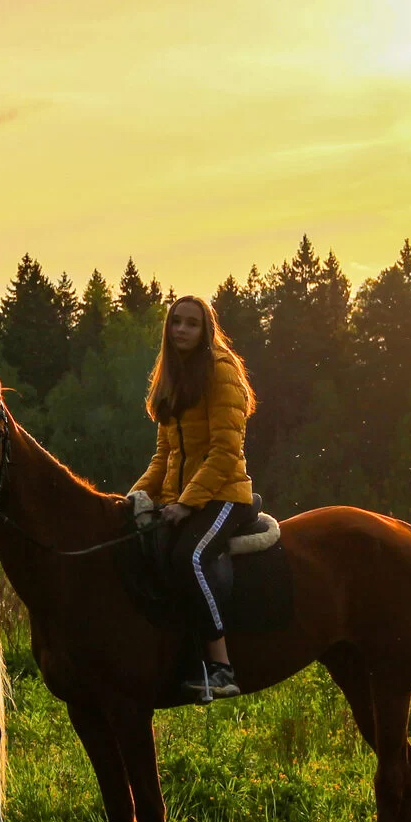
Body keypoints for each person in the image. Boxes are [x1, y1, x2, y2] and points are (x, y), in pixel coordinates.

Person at [130, 296, 257, 703]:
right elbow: (164, 455)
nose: (181, 329)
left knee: (192, 557)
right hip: (183, 497)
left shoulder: (221, 371)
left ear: (206, 330)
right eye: (175, 323)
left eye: (191, 324)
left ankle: (221, 668)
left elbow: (224, 450)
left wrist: (187, 502)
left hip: (225, 495)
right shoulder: (171, 377)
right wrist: (135, 496)